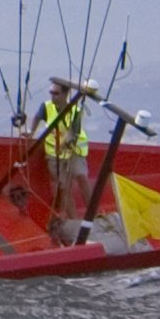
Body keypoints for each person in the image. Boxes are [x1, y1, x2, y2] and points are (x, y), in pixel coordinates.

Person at [40, 78, 91, 240]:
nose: (52, 96)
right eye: (51, 92)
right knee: (64, 186)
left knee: (81, 177)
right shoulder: (47, 107)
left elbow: (74, 131)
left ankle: (93, 214)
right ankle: (75, 220)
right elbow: (36, 119)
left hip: (74, 151)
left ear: (64, 94)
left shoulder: (75, 111)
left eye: (56, 93)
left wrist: (67, 142)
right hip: (57, 154)